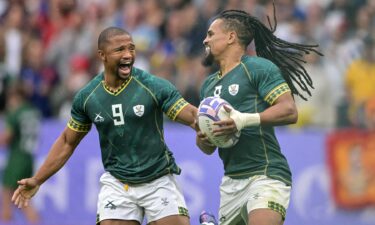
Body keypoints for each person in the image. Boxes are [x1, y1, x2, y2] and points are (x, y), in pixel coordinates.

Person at [11, 27, 198, 225]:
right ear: (102, 55)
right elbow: (67, 141)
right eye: (120, 50)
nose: (128, 55)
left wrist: (205, 122)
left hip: (158, 179)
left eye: (131, 48)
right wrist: (38, 179)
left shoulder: (152, 86)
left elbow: (190, 113)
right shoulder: (88, 97)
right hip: (118, 183)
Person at [196, 7, 322, 225]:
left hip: (265, 173)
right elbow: (208, 148)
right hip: (231, 181)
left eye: (210, 34)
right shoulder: (208, 86)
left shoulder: (258, 68)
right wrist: (203, 138)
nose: (205, 40)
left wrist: (242, 120)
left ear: (231, 37)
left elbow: (289, 110)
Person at [0, 84, 40, 224]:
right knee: (22, 198)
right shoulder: (33, 111)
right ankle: (35, 221)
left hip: (16, 158)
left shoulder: (15, 113)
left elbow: (6, 138)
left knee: (7, 196)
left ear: (15, 97)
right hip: (28, 158)